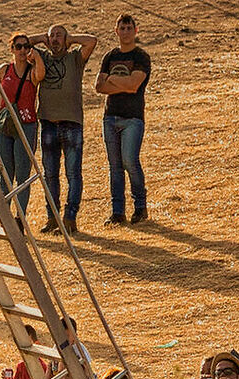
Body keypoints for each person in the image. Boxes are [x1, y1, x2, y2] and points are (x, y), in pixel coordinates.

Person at [33, 24, 97, 232]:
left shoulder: (75, 59)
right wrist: (41, 37)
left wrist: (70, 38)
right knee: (50, 174)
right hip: (48, 123)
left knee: (73, 173)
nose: (55, 39)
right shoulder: (42, 57)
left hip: (71, 122)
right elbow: (20, 44)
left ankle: (70, 219)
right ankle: (52, 218)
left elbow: (92, 40)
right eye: (52, 36)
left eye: (58, 35)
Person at [96, 15, 150, 226]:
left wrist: (112, 80)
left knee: (129, 161)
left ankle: (140, 206)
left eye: (129, 28)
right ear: (116, 30)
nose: (126, 31)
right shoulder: (110, 56)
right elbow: (99, 87)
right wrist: (122, 83)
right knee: (115, 167)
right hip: (110, 116)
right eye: (122, 27)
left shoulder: (141, 57)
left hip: (133, 118)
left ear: (136, 31)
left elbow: (133, 86)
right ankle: (117, 212)